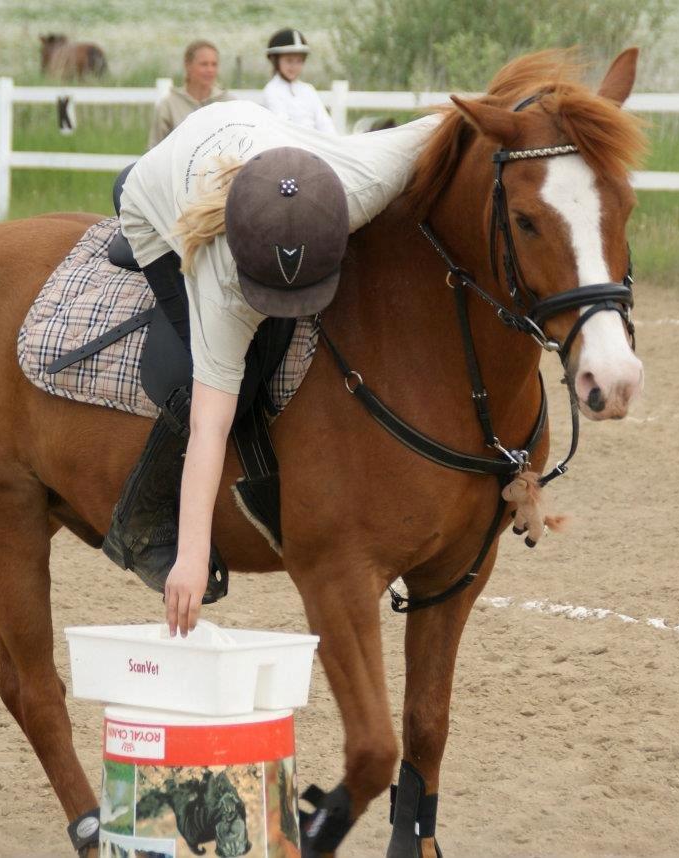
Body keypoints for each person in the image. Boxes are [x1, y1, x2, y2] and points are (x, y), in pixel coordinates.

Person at [107, 100, 441, 637]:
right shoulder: (222, 281)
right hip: (152, 200)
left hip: (252, 138)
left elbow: (455, 120)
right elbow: (209, 428)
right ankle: (143, 516)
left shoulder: (360, 181)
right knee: (231, 384)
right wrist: (191, 556)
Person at [148, 40, 233, 148]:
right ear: (188, 65)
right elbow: (154, 150)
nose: (210, 70)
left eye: (214, 64)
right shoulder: (169, 105)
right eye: (204, 64)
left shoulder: (229, 103)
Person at [262, 29, 335, 133]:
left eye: (299, 61)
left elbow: (324, 123)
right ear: (276, 60)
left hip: (316, 145)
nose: (294, 66)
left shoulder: (308, 89)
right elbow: (284, 127)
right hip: (290, 146)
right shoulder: (272, 90)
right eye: (289, 60)